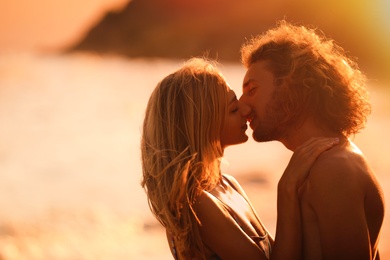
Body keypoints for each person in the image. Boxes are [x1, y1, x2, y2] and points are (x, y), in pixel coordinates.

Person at [141, 57, 339, 259]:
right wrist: (287, 188)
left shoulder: (229, 185)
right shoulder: (197, 204)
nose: (245, 111)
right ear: (205, 125)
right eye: (233, 109)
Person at [239, 20, 385, 259]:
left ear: (292, 84)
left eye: (252, 90)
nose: (243, 106)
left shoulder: (333, 169)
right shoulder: (326, 162)